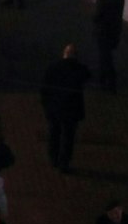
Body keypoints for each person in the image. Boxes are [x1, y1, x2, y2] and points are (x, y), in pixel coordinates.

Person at [39, 43, 92, 172]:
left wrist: (46, 105)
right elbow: (87, 75)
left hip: (55, 107)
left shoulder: (53, 68)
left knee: (54, 134)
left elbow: (44, 89)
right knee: (68, 137)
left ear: (64, 54)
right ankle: (64, 162)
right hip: (71, 109)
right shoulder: (79, 69)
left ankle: (53, 158)